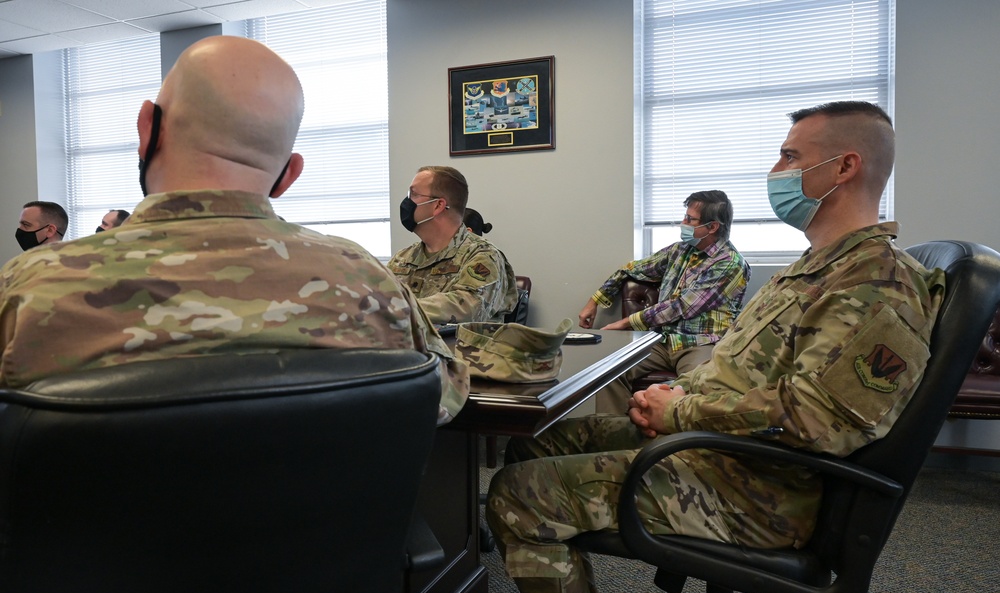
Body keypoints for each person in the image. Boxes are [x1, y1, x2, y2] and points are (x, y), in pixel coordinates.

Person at [485, 101, 947, 593]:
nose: (776, 173)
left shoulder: (877, 283)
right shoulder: (812, 269)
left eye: (789, 157)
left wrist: (678, 413)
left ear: (844, 166)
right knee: (531, 444)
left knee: (517, 495)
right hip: (722, 450)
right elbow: (741, 368)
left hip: (758, 491)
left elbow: (821, 421)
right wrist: (676, 398)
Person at [0, 35, 469, 425]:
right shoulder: (369, 282)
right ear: (289, 175)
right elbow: (442, 397)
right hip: (319, 535)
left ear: (146, 131)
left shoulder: (28, 287)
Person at [579, 190, 750, 414]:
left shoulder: (730, 264)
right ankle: (613, 433)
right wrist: (595, 301)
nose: (683, 223)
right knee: (607, 371)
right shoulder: (679, 251)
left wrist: (626, 323)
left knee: (699, 389)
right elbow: (631, 269)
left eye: (690, 219)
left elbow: (682, 306)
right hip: (661, 340)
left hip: (700, 344)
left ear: (712, 227)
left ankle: (672, 447)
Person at [388, 166, 518, 324]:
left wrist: (397, 309)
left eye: (413, 194)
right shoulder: (402, 258)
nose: (406, 201)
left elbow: (468, 308)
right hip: (407, 347)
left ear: (438, 205)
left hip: (459, 348)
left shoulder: (483, 255)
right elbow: (377, 301)